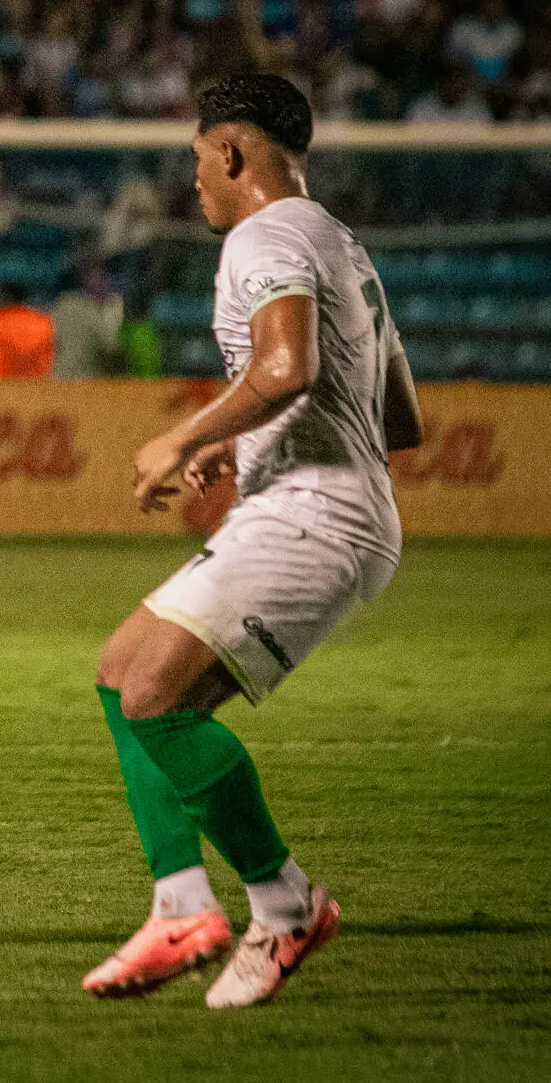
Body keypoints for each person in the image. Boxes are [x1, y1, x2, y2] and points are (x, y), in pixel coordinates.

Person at [85, 73, 423, 1007]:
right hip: (331, 504)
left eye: (198, 161)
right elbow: (398, 416)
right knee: (122, 672)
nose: (194, 181)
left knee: (154, 697)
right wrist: (241, 443)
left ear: (231, 152)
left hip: (316, 513)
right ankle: (181, 906)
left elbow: (288, 365)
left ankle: (284, 905)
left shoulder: (262, 236)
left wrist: (184, 435)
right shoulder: (341, 243)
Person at [0, 283, 53, 377]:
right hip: (34, 377)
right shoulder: (42, 320)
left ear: (6, 297)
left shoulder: (0, 319)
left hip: (1, 376)